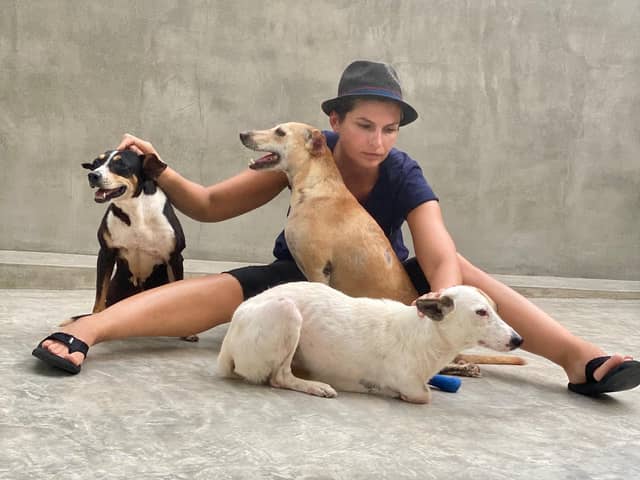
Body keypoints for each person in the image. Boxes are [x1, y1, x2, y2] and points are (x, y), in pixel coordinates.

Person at [33, 60, 640, 396]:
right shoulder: (301, 156)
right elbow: (211, 207)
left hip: (391, 288)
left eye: (391, 128)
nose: (379, 141)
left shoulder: (400, 170)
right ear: (333, 123)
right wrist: (159, 167)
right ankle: (88, 330)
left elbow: (437, 247)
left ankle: (580, 360)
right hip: (299, 278)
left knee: (467, 276)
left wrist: (445, 305)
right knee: (223, 290)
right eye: (366, 126)